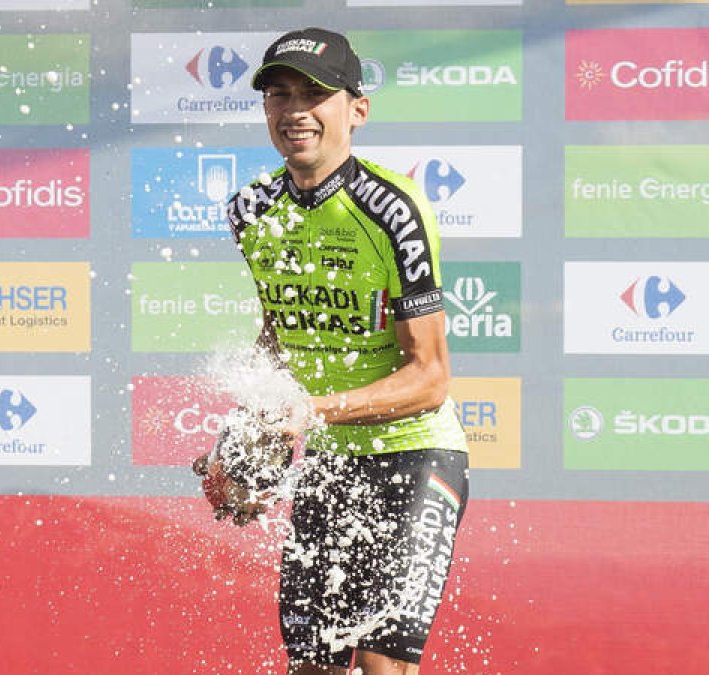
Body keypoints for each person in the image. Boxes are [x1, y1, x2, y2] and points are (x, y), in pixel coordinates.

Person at [214, 27, 471, 675]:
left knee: (384, 667)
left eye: (315, 94)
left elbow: (431, 377)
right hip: (331, 468)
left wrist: (310, 412)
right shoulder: (251, 209)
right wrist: (250, 442)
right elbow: (278, 333)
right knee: (313, 669)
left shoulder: (394, 208)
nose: (295, 111)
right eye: (279, 95)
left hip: (413, 459)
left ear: (357, 109)